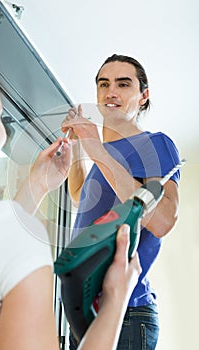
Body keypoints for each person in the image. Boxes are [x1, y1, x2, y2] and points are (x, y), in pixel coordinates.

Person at [0, 50, 141, 350]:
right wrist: (116, 300)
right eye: (1, 120)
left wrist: (37, 184)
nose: (3, 135)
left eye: (123, 84)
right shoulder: (12, 238)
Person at [61, 54, 181, 349]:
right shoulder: (102, 157)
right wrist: (77, 147)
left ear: (143, 97)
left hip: (127, 312)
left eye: (123, 84)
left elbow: (163, 219)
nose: (111, 92)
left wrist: (96, 150)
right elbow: (82, 198)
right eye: (104, 84)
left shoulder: (155, 144)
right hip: (86, 311)